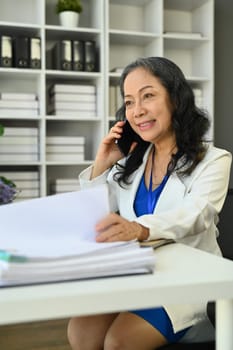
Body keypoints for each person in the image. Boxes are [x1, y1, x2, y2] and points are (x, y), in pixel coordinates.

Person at [67, 57, 232, 350]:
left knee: (119, 341)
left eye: (148, 95)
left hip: (185, 282)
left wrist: (138, 229)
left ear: (175, 100)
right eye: (129, 102)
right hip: (135, 274)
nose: (137, 110)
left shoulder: (214, 159)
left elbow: (197, 214)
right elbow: (95, 218)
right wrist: (101, 165)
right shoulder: (133, 162)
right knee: (81, 332)